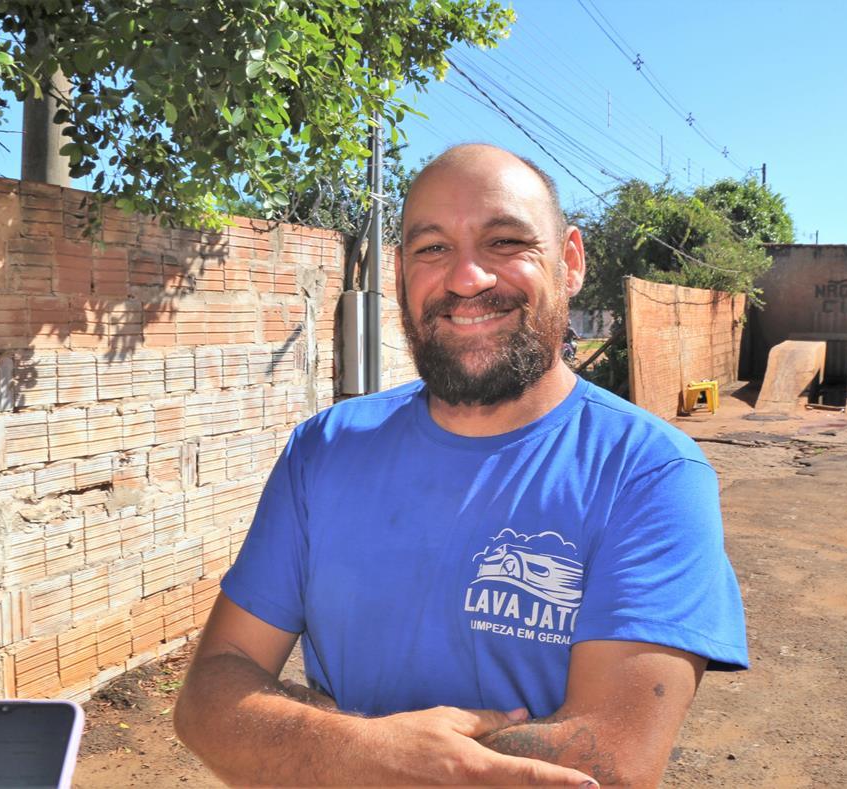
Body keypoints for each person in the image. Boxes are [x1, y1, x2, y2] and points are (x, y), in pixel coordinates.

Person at [174, 144, 748, 786]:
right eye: (432, 248)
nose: (467, 278)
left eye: (505, 241)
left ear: (571, 261)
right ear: (398, 275)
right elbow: (208, 700)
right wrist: (369, 751)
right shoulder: (325, 449)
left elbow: (609, 763)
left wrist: (318, 745)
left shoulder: (648, 474)